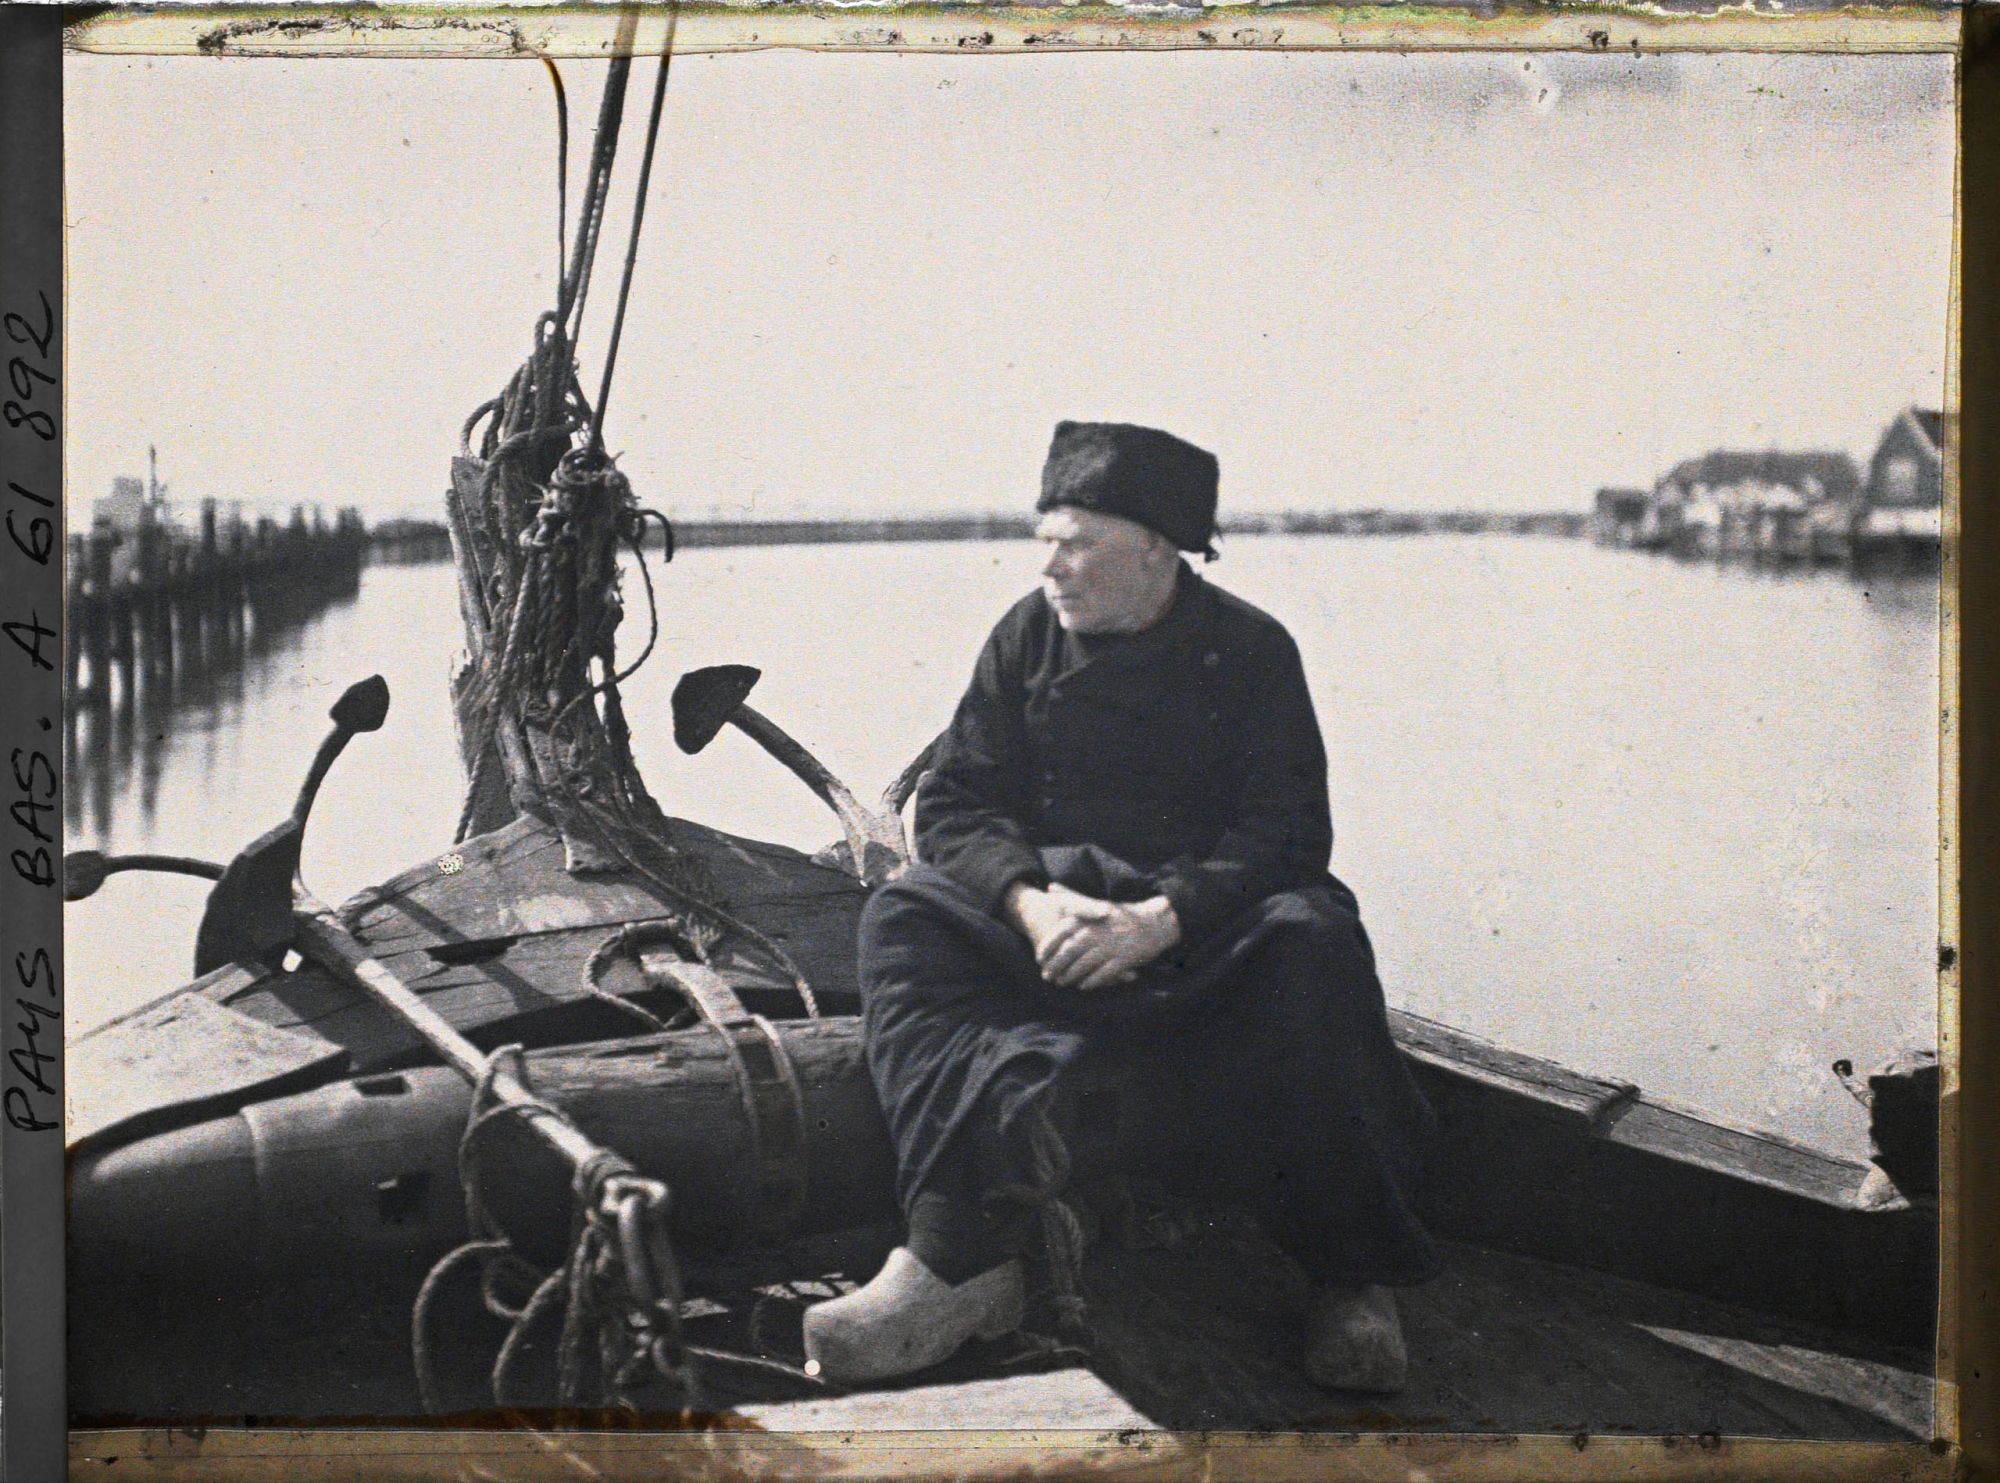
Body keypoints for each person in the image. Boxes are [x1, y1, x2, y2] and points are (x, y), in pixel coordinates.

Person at [803, 420, 1439, 1391]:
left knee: (1313, 940)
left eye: (1076, 543)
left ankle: (1350, 1277)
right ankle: (956, 1260)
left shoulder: (1252, 651)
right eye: (1044, 540)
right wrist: (1028, 904)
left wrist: (1162, 919)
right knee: (905, 919)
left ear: (1156, 549)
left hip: (1202, 940)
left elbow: (1285, 832)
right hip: (1056, 930)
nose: (1049, 565)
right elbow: (957, 803)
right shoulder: (1025, 636)